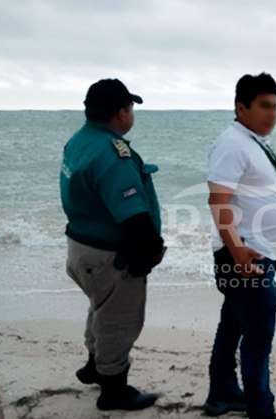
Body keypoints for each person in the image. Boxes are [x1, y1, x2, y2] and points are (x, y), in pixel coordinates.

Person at [60, 78, 165, 411]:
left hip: (80, 247)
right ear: (119, 113)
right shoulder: (112, 154)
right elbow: (132, 214)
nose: (132, 113)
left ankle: (94, 365)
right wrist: (149, 250)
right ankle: (114, 389)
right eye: (130, 107)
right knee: (120, 320)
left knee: (101, 307)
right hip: (110, 254)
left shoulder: (78, 142)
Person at [204, 73, 276, 419]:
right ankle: (262, 410)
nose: (271, 113)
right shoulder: (231, 143)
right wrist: (238, 250)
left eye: (275, 106)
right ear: (240, 107)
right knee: (258, 336)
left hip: (253, 251)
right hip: (244, 254)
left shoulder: (252, 140)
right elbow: (218, 200)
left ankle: (222, 394)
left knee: (233, 324)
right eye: (263, 106)